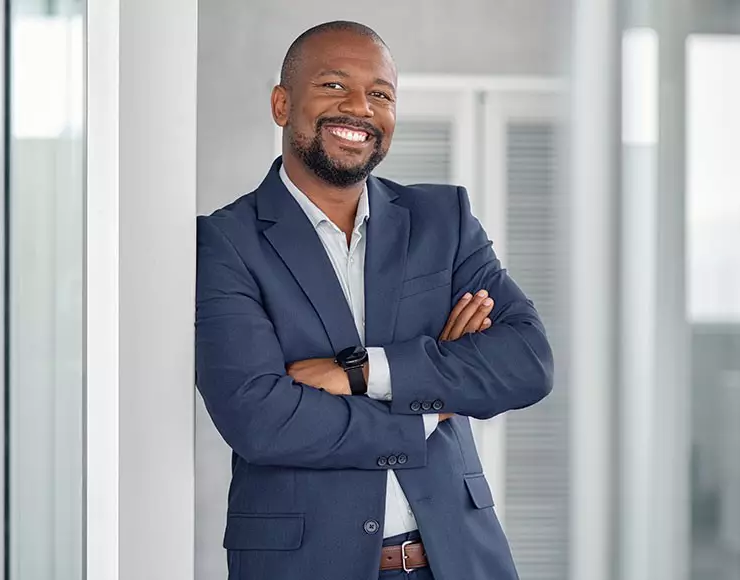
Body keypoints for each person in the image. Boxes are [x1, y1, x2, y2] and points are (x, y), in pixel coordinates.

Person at [195, 20, 553, 580]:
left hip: (458, 559)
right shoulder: (226, 243)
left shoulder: (443, 222)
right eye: (334, 86)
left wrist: (364, 373)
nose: (359, 107)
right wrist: (430, 402)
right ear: (281, 103)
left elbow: (527, 362)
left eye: (380, 94)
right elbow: (259, 418)